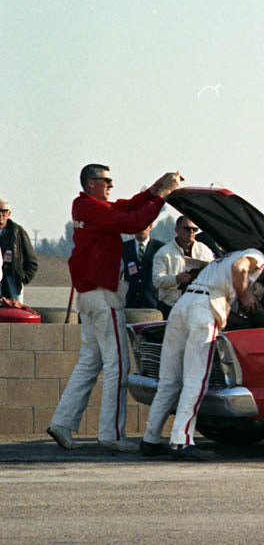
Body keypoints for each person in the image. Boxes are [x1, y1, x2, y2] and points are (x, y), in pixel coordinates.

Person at [48, 164, 181, 453]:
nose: (111, 185)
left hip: (89, 296)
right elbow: (134, 222)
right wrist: (162, 197)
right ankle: (112, 433)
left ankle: (62, 422)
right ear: (90, 183)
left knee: (89, 362)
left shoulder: (87, 207)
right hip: (103, 296)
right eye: (105, 180)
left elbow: (127, 206)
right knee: (118, 364)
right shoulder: (94, 209)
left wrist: (154, 190)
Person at [141, 248, 264, 460]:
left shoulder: (222, 261)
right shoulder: (258, 255)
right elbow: (240, 268)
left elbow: (218, 301)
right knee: (195, 380)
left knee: (169, 381)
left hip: (183, 305)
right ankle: (181, 441)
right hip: (203, 310)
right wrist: (246, 295)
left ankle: (150, 439)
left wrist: (246, 321)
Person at [152, 216, 215, 318]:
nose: (191, 232)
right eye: (187, 229)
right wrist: (176, 279)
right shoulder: (164, 253)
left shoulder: (204, 250)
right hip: (171, 306)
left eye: (194, 229)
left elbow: (214, 274)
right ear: (177, 230)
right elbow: (157, 280)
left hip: (197, 305)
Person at [0, 199, 38, 303]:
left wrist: (22, 278)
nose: (1, 214)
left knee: (15, 313)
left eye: (3, 211)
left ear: (9, 214)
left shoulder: (17, 232)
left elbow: (32, 262)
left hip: (12, 281)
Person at [121, 223, 164, 310]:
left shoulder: (161, 248)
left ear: (151, 226)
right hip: (130, 302)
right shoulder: (123, 248)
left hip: (153, 303)